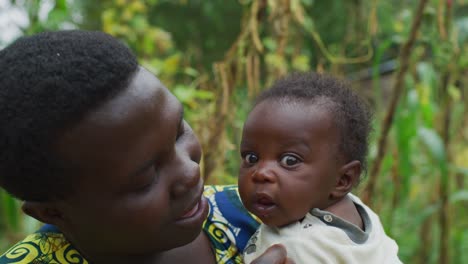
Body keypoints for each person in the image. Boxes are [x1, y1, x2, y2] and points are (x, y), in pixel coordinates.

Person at [0, 30, 294, 264]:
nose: (190, 172)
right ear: (53, 213)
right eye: (145, 179)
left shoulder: (257, 213)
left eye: (179, 132)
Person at [238, 73, 402, 263]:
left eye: (289, 161)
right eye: (251, 157)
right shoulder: (363, 216)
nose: (261, 173)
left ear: (342, 180)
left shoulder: (295, 249)